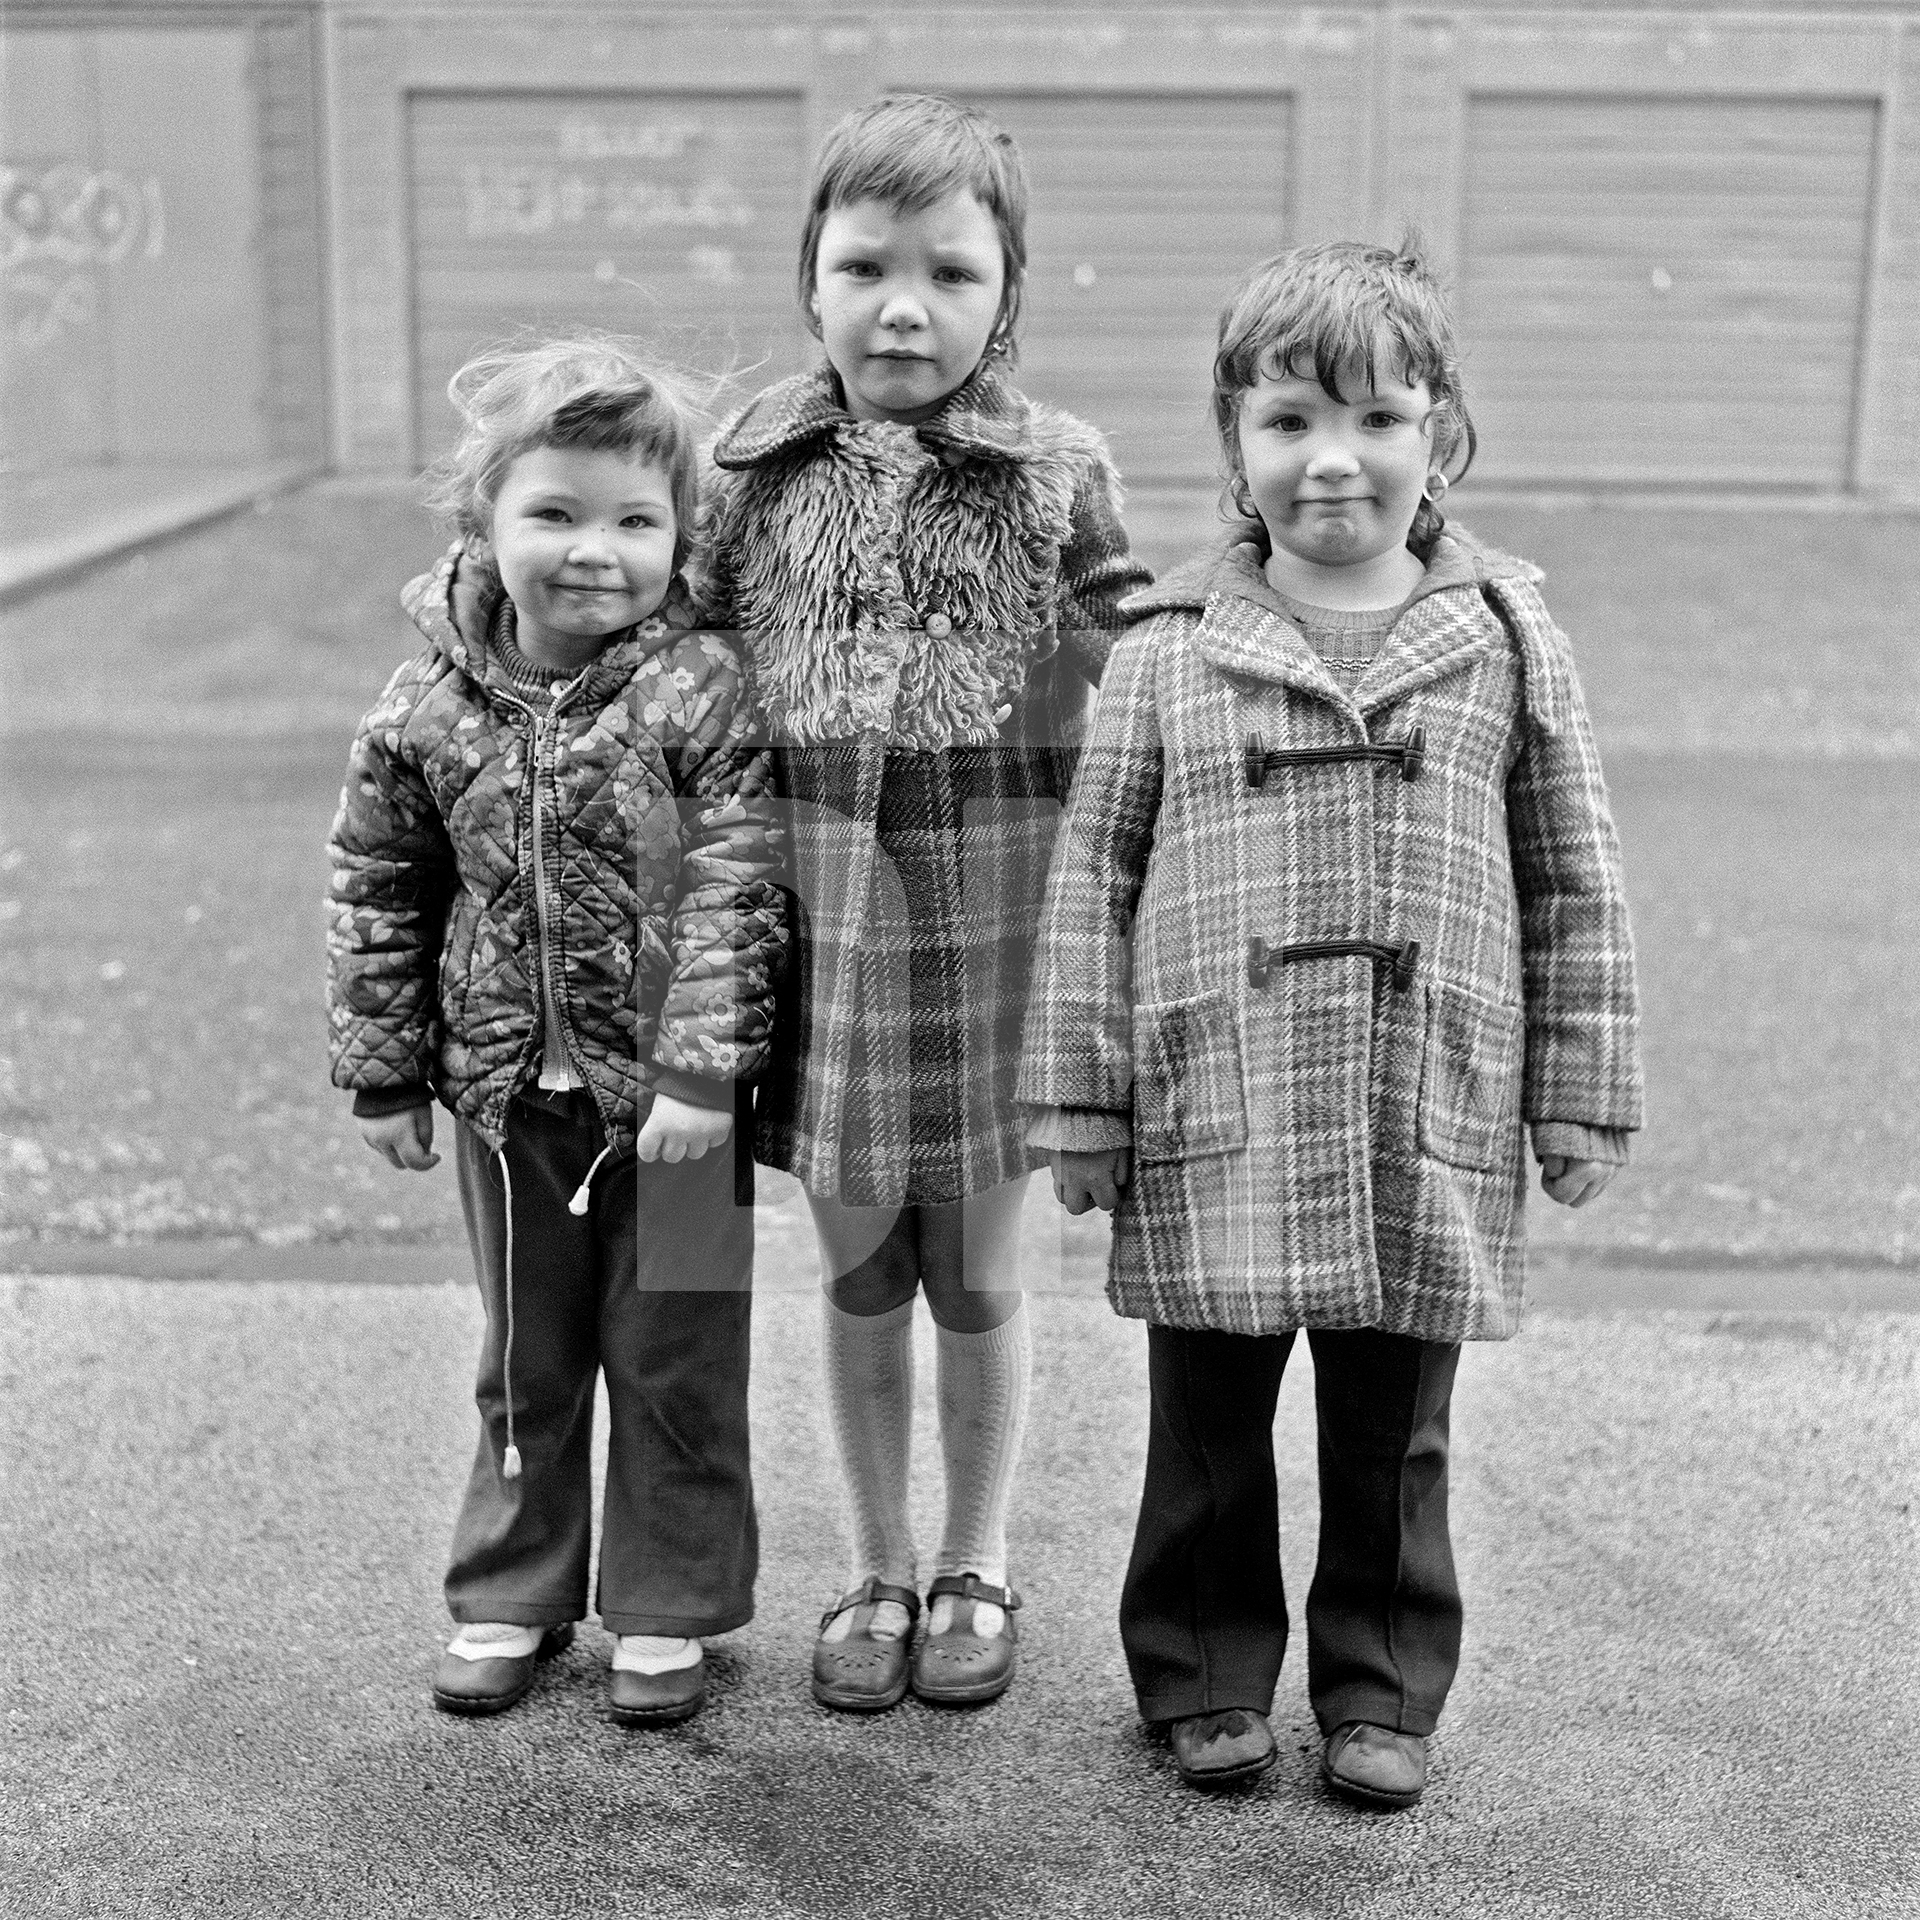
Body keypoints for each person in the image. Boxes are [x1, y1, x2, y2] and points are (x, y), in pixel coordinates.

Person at [1018, 239, 1642, 1803]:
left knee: (1395, 1443)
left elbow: (1575, 876)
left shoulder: (1505, 635)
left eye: (1377, 417)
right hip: (1214, 1105)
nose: (1333, 459)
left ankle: (1380, 1688)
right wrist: (1083, 1103)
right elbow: (1093, 878)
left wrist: (1579, 1090)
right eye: (1289, 419)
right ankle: (1205, 1673)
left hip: (1415, 1107)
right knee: (1209, 1435)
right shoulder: (1165, 648)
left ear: (1443, 432)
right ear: (1234, 438)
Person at [699, 93, 1150, 1711]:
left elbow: (1138, 648)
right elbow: (665, 672)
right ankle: (875, 1563)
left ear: (1006, 294)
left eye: (952, 273)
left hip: (991, 915)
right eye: (865, 265)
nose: (906, 306)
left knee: (975, 1268)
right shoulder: (746, 469)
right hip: (815, 917)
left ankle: (978, 1559)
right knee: (857, 1267)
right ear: (807, 279)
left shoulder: (1055, 468)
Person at [326, 336, 787, 1728]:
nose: (597, 552)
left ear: (680, 537)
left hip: (684, 1115)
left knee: (679, 1354)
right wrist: (386, 1074)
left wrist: (707, 1072)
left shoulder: (703, 691)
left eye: (636, 521)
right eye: (557, 513)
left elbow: (740, 881)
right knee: (526, 1353)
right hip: (508, 1099)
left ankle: (667, 1602)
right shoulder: (426, 708)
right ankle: (512, 1588)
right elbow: (377, 887)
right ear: (486, 520)